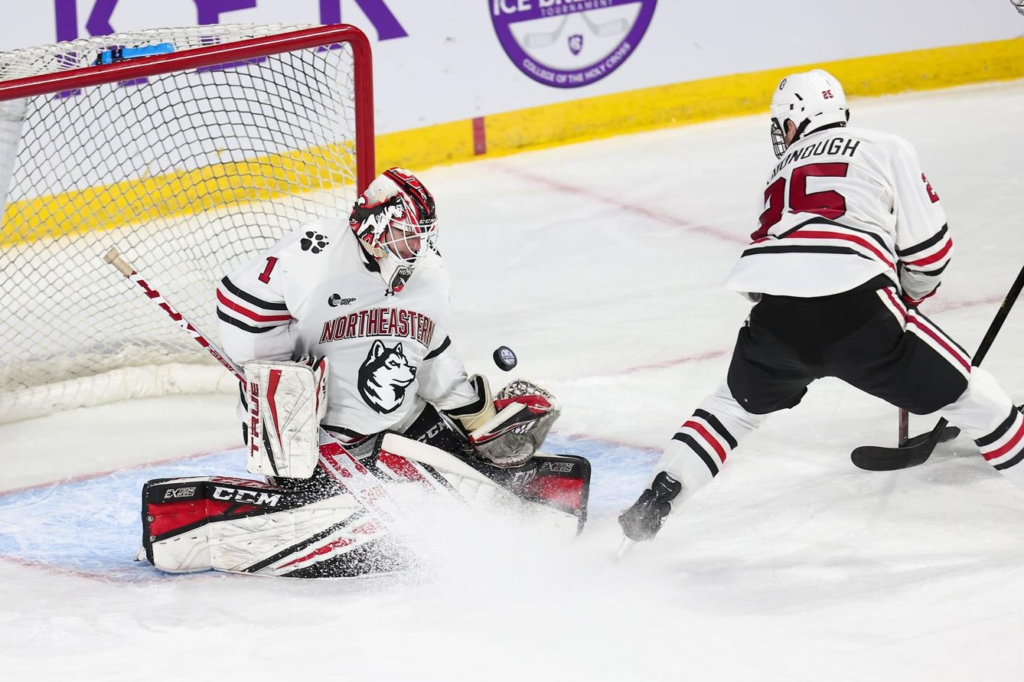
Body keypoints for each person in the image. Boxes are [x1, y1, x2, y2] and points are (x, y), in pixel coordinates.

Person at [619, 69, 1024, 543]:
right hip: (861, 314)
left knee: (730, 409)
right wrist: (906, 298)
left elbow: (772, 266)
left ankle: (658, 497)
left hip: (774, 320)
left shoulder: (779, 170)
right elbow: (930, 251)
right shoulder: (885, 145)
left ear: (796, 120)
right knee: (984, 403)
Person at [216, 167, 554, 469]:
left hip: (399, 417)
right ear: (374, 226)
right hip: (314, 432)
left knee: (469, 474)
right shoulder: (315, 255)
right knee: (307, 488)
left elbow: (430, 348)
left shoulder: (429, 272)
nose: (418, 247)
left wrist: (470, 410)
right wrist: (284, 379)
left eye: (423, 235)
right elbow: (239, 302)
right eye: (408, 234)